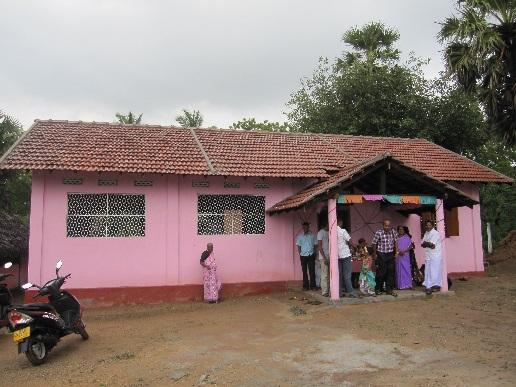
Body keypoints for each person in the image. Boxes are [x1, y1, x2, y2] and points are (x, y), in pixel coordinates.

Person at [371, 219, 398, 297]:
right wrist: (375, 254)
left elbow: (396, 242)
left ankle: (389, 289)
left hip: (390, 254)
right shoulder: (378, 233)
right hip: (381, 254)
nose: (387, 227)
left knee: (390, 272)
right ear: (383, 225)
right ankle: (377, 289)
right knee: (381, 272)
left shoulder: (393, 232)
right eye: (386, 225)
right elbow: (374, 244)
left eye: (388, 225)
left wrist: (396, 252)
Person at [421, 220, 443, 295]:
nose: (427, 226)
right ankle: (429, 286)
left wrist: (426, 243)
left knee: (434, 272)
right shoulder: (426, 233)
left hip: (435, 256)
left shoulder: (436, 233)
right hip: (428, 255)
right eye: (426, 225)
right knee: (427, 271)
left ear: (433, 226)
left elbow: (432, 246)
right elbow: (422, 244)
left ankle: (432, 287)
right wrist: (427, 243)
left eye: (429, 225)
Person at [337, 218, 358, 298]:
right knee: (347, 275)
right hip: (345, 255)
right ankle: (351, 292)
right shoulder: (343, 231)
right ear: (340, 222)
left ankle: (339, 292)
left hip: (337, 256)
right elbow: (350, 241)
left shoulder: (331, 232)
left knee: (339, 275)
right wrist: (354, 247)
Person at [296, 222, 317, 290]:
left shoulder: (312, 236)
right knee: (304, 271)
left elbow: (315, 245)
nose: (305, 228)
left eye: (307, 227)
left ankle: (313, 286)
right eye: (304, 227)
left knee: (312, 271)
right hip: (303, 256)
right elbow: (298, 246)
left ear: (308, 227)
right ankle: (305, 286)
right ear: (303, 228)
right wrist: (300, 254)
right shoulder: (300, 236)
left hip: (311, 255)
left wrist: (314, 253)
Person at [317, 222, 330, 297]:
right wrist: (325, 258)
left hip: (330, 256)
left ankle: (329, 290)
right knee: (324, 274)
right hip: (323, 257)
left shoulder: (329, 232)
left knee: (330, 274)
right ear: (326, 224)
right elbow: (319, 246)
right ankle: (324, 291)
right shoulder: (320, 233)